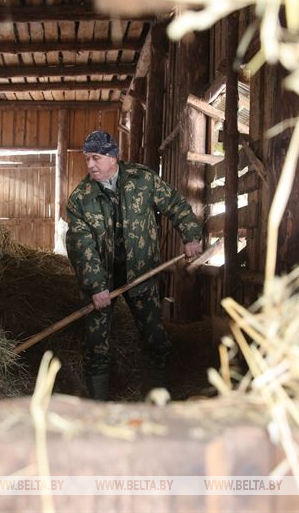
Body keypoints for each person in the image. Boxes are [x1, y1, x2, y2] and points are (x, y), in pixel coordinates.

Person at [66, 130, 203, 401]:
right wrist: (96, 286)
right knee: (96, 344)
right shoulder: (80, 199)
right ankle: (98, 407)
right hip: (102, 277)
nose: (90, 164)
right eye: (87, 159)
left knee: (155, 337)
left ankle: (156, 399)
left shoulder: (143, 179)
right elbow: (81, 247)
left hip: (141, 273)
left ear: (114, 157)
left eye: (96, 157)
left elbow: (175, 205)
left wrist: (191, 236)